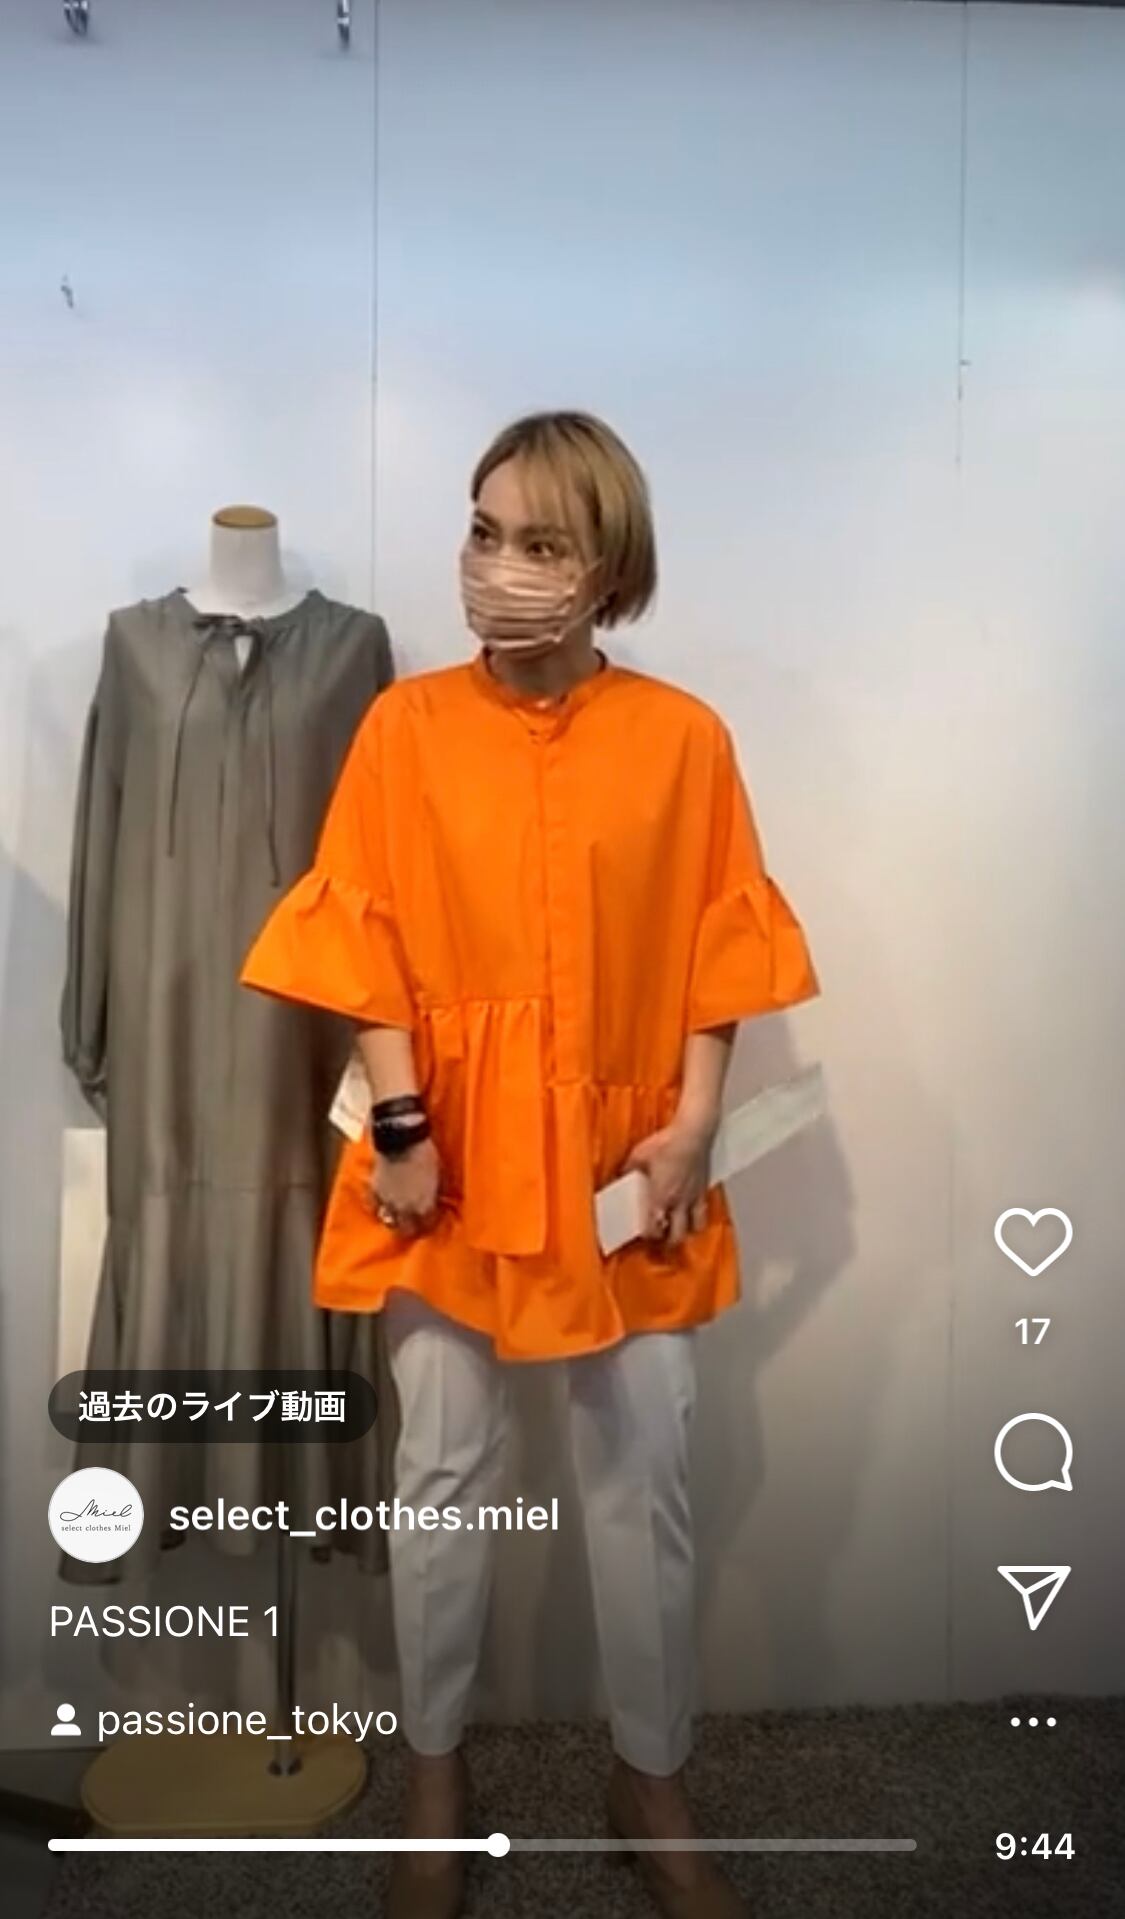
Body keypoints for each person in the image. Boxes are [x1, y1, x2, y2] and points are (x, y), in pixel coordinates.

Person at [241, 410, 819, 1918]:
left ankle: (651, 1778)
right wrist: (404, 1128)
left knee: (648, 1473)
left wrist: (694, 1122)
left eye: (540, 543)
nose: (498, 568)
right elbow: (363, 935)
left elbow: (719, 944)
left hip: (630, 1166)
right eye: (483, 533)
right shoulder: (405, 729)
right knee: (442, 1473)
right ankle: (435, 1774)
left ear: (607, 567)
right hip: (446, 1162)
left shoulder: (682, 738)